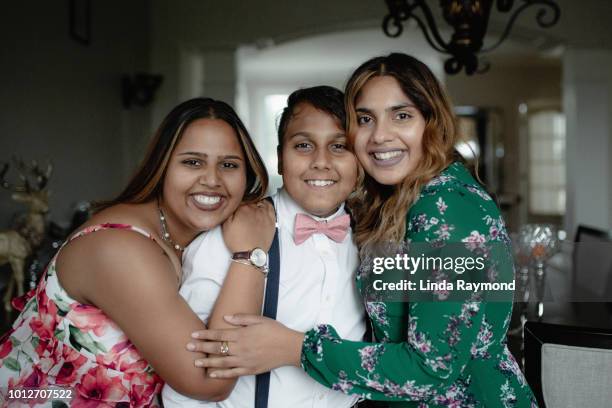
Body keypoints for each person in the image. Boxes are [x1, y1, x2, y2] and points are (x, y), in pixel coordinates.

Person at [187, 54, 539, 407]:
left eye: (402, 115)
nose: (381, 136)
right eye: (366, 119)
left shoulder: (446, 208)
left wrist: (294, 348)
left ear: (432, 123)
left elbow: (432, 368)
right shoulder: (390, 206)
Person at [0, 97, 274, 407]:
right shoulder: (120, 249)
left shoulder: (197, 238)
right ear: (162, 166)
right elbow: (209, 381)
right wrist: (250, 254)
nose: (212, 180)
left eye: (228, 165)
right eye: (192, 162)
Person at [162, 86, 366, 407]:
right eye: (303, 146)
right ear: (281, 158)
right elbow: (189, 374)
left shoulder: (374, 237)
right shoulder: (230, 235)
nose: (321, 162)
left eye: (339, 146)